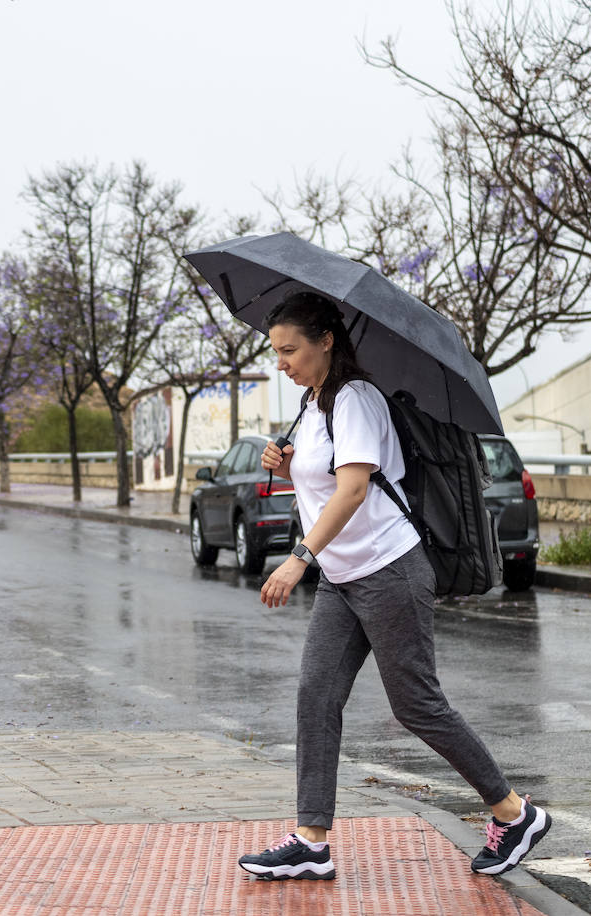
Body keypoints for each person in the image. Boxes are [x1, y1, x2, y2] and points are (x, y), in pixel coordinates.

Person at [236, 290, 550, 881]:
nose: (281, 362)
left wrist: (299, 558)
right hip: (345, 578)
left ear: (326, 341)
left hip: (388, 571)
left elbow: (353, 490)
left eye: (290, 350)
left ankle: (514, 813)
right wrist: (286, 464)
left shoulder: (355, 399)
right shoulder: (314, 401)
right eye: (275, 351)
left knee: (416, 706)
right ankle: (311, 840)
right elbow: (324, 481)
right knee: (316, 696)